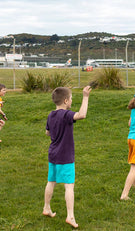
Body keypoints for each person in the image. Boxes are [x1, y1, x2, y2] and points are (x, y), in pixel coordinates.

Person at [42, 86, 92, 229]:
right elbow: (82, 115)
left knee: (51, 181)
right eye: (70, 98)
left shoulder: (51, 115)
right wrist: (85, 97)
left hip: (53, 154)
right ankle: (70, 216)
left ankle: (46, 208)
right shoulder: (66, 114)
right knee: (69, 185)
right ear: (65, 101)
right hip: (65, 155)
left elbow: (47, 132)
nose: (71, 101)